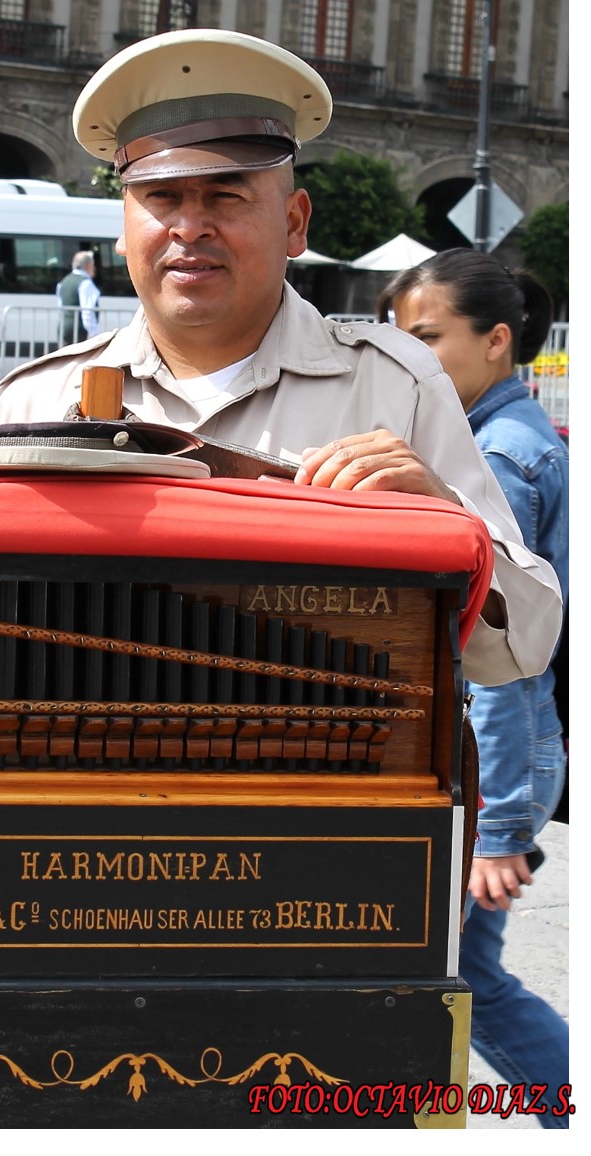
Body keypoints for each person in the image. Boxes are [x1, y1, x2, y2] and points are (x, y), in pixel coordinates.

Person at [0, 28, 561, 691]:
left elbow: (522, 647)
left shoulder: (395, 382)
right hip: (77, 844)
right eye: (162, 198)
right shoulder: (36, 397)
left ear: (294, 224)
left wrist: (448, 526)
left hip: (319, 842)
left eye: (226, 196)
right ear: (125, 227)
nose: (191, 227)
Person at [379, 249, 569, 1127]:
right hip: (508, 766)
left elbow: (498, 660)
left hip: (500, 768)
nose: (408, 360)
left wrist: (494, 831)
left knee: (459, 977)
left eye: (427, 340)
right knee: (462, 972)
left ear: (497, 341)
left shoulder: (501, 458)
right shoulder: (501, 438)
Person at [56, 250, 101, 344]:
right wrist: (93, 333)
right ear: (88, 265)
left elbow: (61, 306)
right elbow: (87, 310)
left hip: (64, 327)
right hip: (79, 330)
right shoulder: (85, 283)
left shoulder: (63, 282)